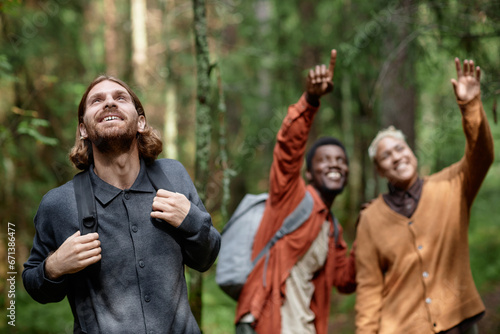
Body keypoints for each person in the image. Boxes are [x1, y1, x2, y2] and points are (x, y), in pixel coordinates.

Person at [22, 75, 221, 334]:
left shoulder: (173, 176)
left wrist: (191, 220)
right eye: (97, 100)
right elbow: (32, 283)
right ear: (83, 129)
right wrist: (54, 267)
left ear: (140, 122)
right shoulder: (58, 204)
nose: (108, 103)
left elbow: (207, 257)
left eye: (120, 98)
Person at [355, 57, 494, 334]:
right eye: (386, 156)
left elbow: (481, 155)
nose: (396, 157)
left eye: (399, 148)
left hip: (459, 322)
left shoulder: (451, 184)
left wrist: (470, 106)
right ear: (379, 171)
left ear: (411, 151)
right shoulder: (370, 218)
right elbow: (369, 287)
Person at [235, 49, 356, 334]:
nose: (334, 165)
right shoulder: (291, 197)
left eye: (340, 160)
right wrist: (310, 101)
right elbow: (289, 149)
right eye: (325, 160)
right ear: (310, 173)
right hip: (268, 323)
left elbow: (346, 280)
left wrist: (370, 232)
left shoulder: (332, 228)